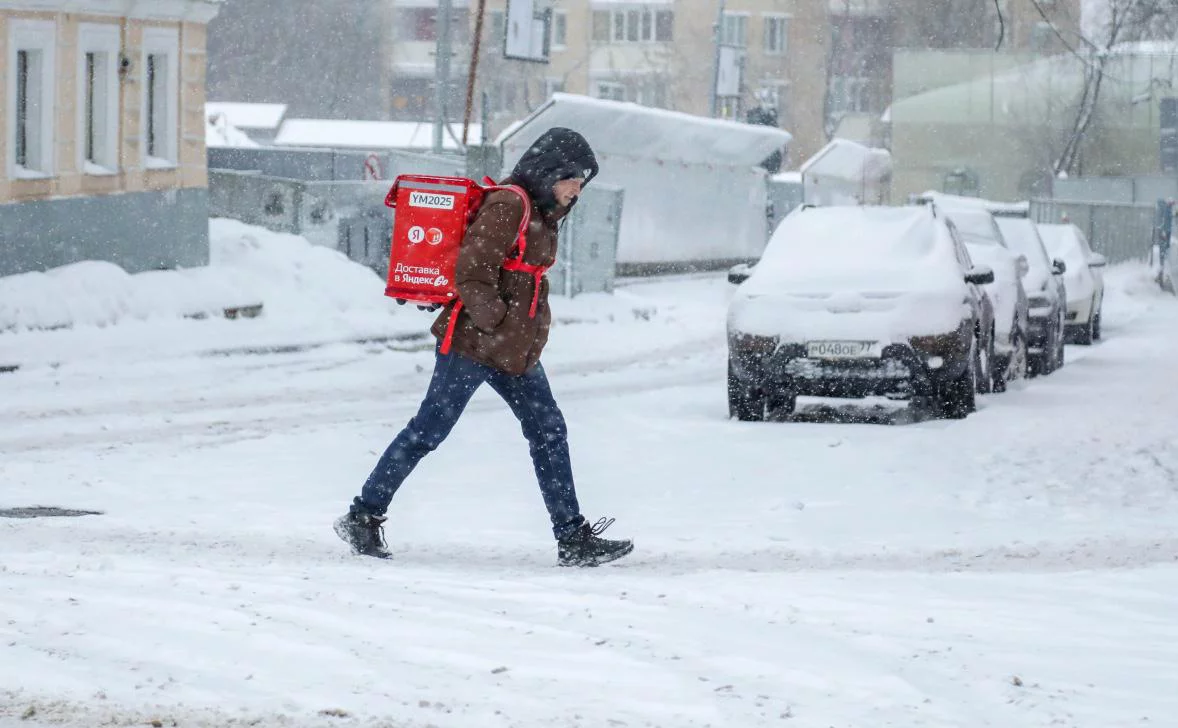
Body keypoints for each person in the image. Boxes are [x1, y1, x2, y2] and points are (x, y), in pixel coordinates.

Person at [334, 127, 634, 567]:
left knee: (549, 431)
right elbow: (471, 272)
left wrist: (519, 333)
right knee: (428, 431)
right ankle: (363, 514)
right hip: (474, 345)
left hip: (514, 351)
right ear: (552, 172)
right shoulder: (510, 204)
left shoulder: (543, 212)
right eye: (574, 178)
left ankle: (571, 537)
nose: (578, 189)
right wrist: (496, 322)